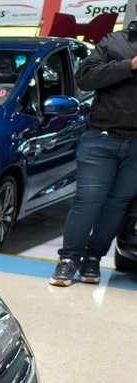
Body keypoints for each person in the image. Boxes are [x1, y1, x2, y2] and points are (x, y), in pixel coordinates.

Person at [51, 16, 137, 286]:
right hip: (102, 137)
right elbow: (85, 78)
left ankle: (93, 258)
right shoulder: (114, 41)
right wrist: (130, 65)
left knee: (117, 205)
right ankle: (68, 260)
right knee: (88, 201)